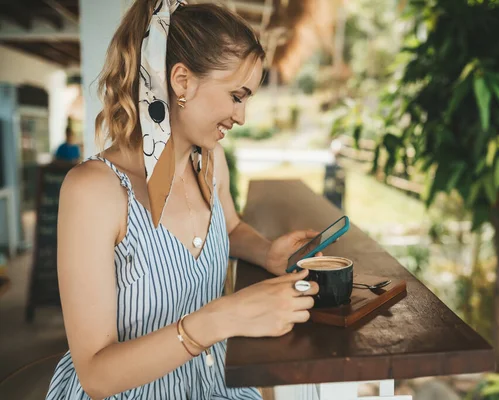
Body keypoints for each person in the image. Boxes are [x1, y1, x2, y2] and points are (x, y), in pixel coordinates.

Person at [46, 1, 321, 399]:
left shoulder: (210, 163)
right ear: (182, 81)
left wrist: (268, 253)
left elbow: (228, 226)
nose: (241, 116)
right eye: (236, 95)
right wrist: (223, 317)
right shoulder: (94, 191)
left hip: (211, 387)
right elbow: (96, 376)